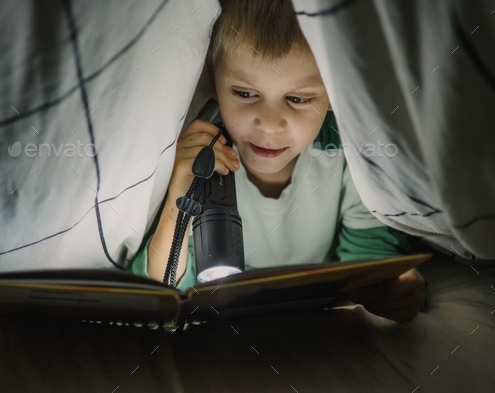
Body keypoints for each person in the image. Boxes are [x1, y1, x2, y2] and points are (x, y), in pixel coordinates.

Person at [128, 0, 426, 323]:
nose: (269, 125)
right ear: (212, 80)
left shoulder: (351, 154)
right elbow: (162, 296)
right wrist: (177, 200)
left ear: (335, 91)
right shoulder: (203, 162)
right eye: (245, 93)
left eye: (297, 99)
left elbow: (371, 261)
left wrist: (392, 291)